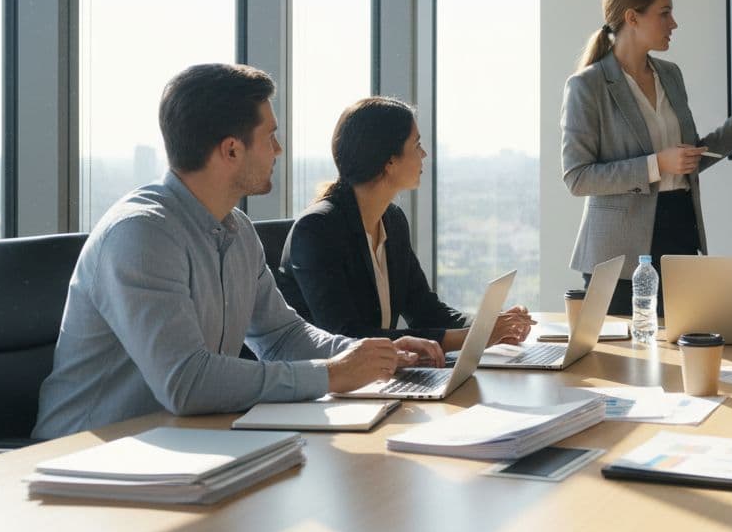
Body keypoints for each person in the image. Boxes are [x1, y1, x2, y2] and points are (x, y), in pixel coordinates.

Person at [33, 65, 439, 439]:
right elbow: (187, 383)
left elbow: (282, 336)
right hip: (88, 459)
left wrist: (372, 355)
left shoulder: (237, 230)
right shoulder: (141, 235)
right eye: (270, 137)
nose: (278, 150)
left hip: (181, 445)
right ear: (231, 150)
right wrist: (332, 375)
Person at [561, 0, 732, 315]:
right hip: (618, 255)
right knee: (619, 362)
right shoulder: (587, 86)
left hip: (679, 233)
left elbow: (690, 158)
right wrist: (657, 164)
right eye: (664, 13)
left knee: (679, 350)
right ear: (632, 17)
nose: (674, 23)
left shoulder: (670, 75)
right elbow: (578, 177)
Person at [279, 97, 534, 351]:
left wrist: (491, 326)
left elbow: (426, 310)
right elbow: (347, 336)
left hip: (374, 380)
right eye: (417, 145)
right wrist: (477, 337)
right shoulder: (317, 230)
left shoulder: (393, 221)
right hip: (325, 386)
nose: (423, 154)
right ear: (389, 161)